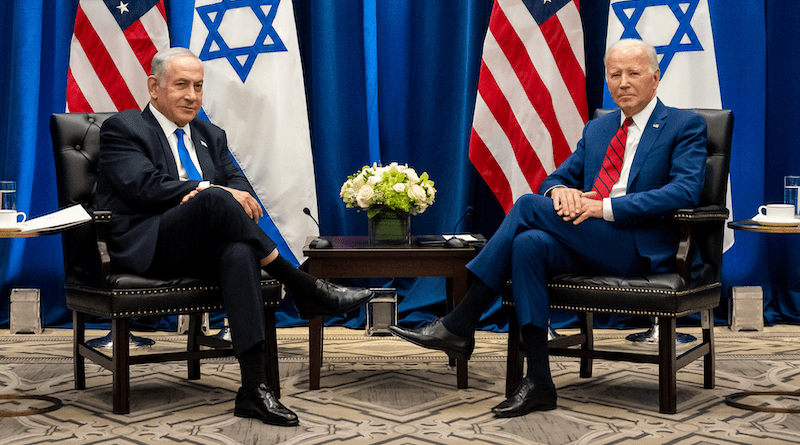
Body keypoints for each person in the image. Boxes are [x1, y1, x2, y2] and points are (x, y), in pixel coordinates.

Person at [389, 39, 708, 418]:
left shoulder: (684, 125)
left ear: (655, 79)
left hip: (638, 248)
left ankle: (461, 321)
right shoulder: (598, 129)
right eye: (614, 74)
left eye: (633, 73)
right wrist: (562, 194)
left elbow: (683, 191)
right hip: (589, 240)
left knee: (526, 207)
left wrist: (602, 207)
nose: (623, 82)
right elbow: (556, 178)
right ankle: (539, 381)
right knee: (529, 244)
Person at [95, 47, 375, 427]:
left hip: (203, 247)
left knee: (239, 252)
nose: (192, 96)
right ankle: (301, 284)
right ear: (154, 87)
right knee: (214, 198)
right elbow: (143, 187)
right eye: (181, 85)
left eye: (198, 86)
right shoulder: (124, 128)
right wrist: (211, 191)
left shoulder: (211, 135)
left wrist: (219, 193)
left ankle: (253, 389)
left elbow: (241, 187)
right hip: (151, 245)